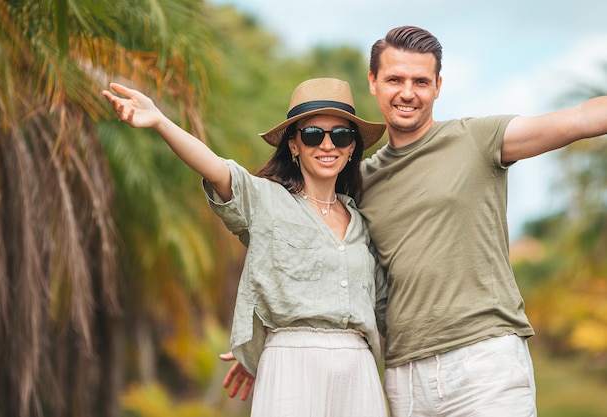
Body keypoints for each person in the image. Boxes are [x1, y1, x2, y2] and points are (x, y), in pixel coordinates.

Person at [222, 26, 607, 417]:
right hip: (404, 375)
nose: (408, 92)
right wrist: (269, 347)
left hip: (484, 361)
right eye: (395, 79)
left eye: (421, 81)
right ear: (373, 83)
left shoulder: (477, 139)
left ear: (438, 86)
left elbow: (579, 118)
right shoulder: (360, 184)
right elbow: (317, 260)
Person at [103, 78, 389, 417]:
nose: (328, 145)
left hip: (358, 368)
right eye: (313, 134)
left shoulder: (363, 220)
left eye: (341, 135)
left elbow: (386, 305)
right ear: (294, 146)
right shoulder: (264, 199)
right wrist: (160, 121)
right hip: (290, 364)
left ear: (353, 147)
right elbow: (216, 168)